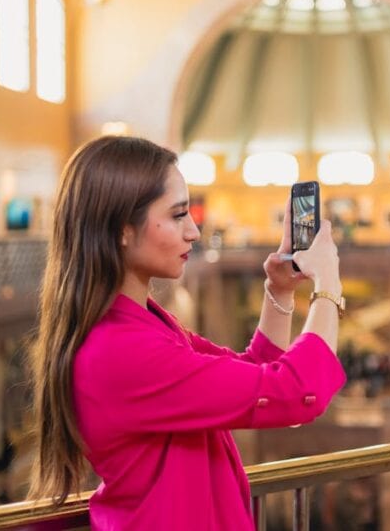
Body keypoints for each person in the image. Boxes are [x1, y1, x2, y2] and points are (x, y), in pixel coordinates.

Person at [28, 136, 347, 529]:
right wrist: (328, 286)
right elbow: (300, 393)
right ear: (121, 230)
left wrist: (279, 289)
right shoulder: (122, 349)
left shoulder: (144, 323)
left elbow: (256, 373)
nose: (194, 231)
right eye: (178, 215)